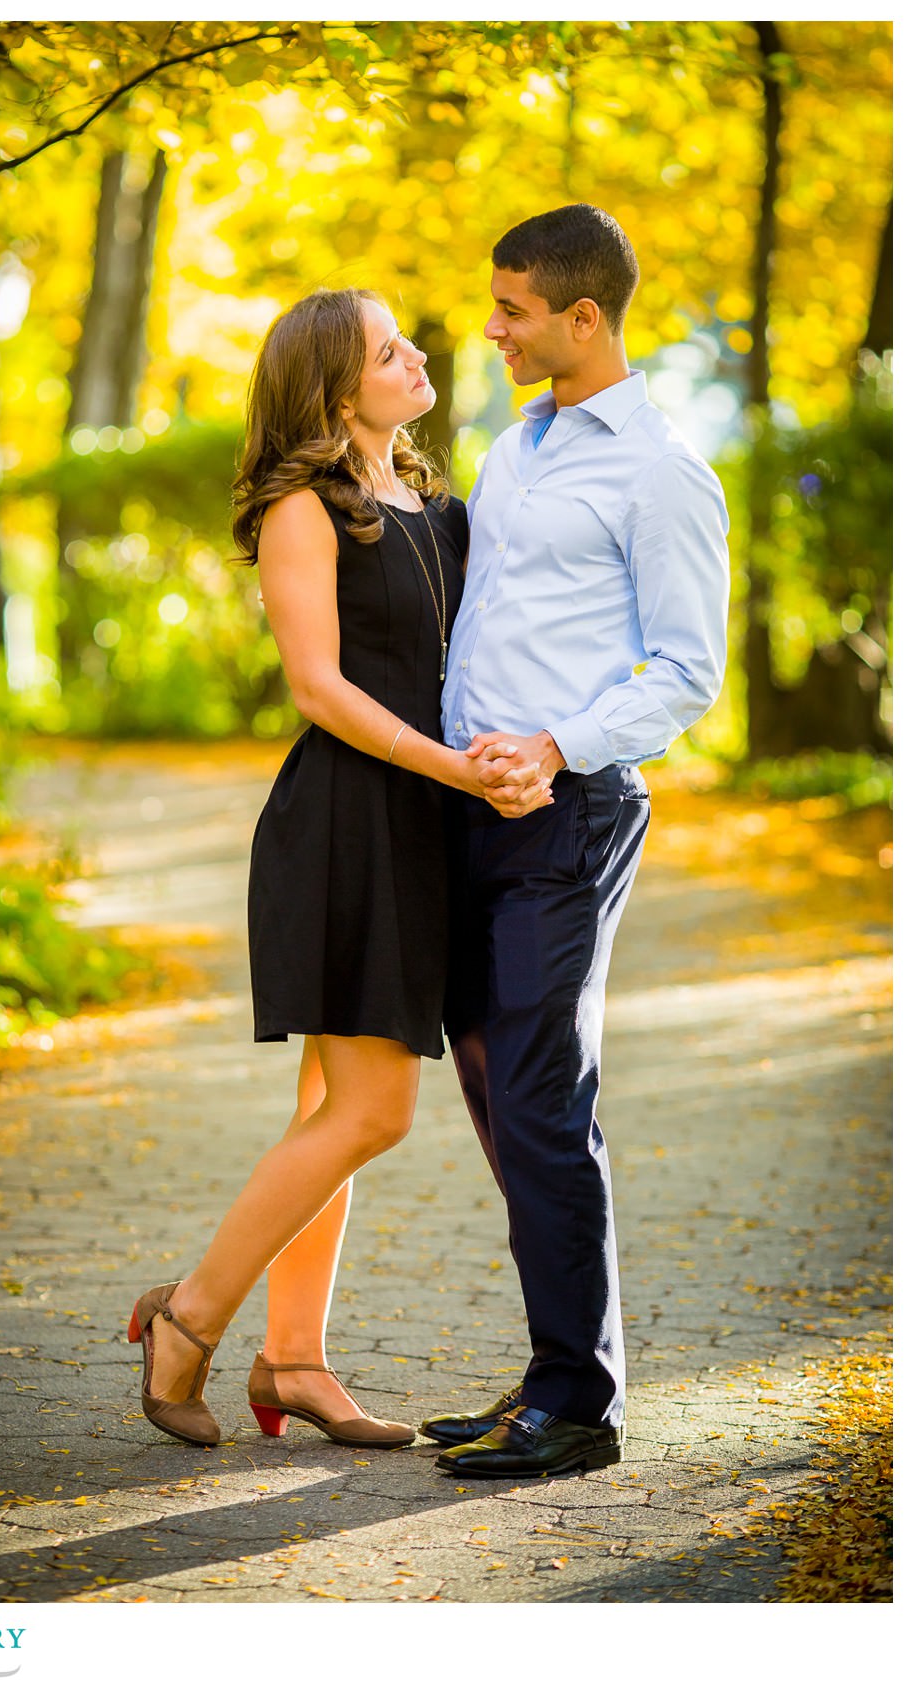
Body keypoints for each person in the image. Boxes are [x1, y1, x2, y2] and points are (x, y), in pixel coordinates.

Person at [127, 287, 550, 1451]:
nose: (417, 356)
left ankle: (296, 1359)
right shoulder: (302, 509)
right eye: (387, 349)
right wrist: (454, 770)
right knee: (372, 1109)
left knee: (329, 1103)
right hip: (349, 819)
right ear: (332, 386)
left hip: (425, 821)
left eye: (408, 339)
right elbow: (318, 686)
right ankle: (190, 1319)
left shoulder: (438, 503)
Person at [422, 205, 731, 1479]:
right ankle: (557, 1364)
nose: (492, 329)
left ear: (582, 317)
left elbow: (687, 672)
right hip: (469, 814)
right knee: (497, 1082)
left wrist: (552, 746)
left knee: (544, 1092)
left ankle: (580, 1404)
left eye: (513, 311)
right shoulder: (519, 447)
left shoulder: (658, 468)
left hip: (574, 809)